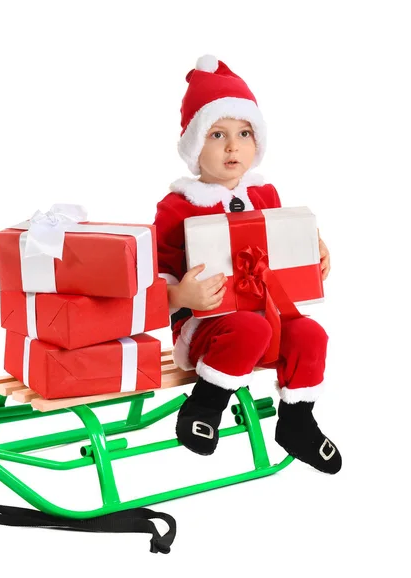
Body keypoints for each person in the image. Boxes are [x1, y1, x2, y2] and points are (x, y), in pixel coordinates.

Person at [154, 54, 341, 474]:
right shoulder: (177, 207)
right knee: (248, 327)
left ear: (258, 144)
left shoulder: (265, 196)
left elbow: (287, 245)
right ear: (193, 145)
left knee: (311, 333)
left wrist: (317, 253)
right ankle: (204, 406)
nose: (232, 146)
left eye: (243, 133)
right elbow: (154, 275)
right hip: (211, 329)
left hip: (268, 315)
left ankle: (298, 420)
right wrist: (179, 294)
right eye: (216, 134)